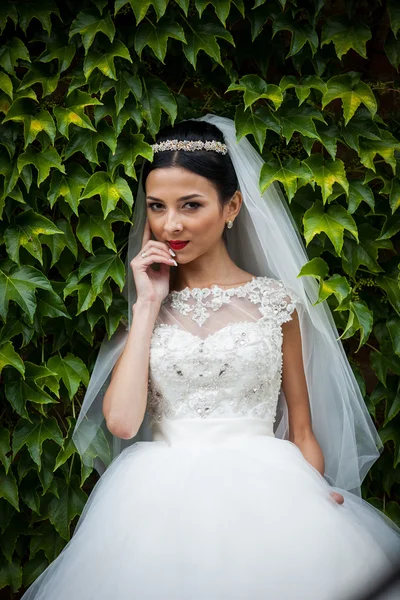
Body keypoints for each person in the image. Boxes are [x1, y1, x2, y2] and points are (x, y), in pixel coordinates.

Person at [21, 115, 400, 600]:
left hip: (274, 497)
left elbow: (302, 428)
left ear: (232, 206)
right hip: (157, 502)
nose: (169, 224)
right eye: (156, 206)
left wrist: (315, 493)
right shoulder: (145, 310)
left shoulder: (276, 304)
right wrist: (149, 304)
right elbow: (120, 422)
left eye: (191, 205)